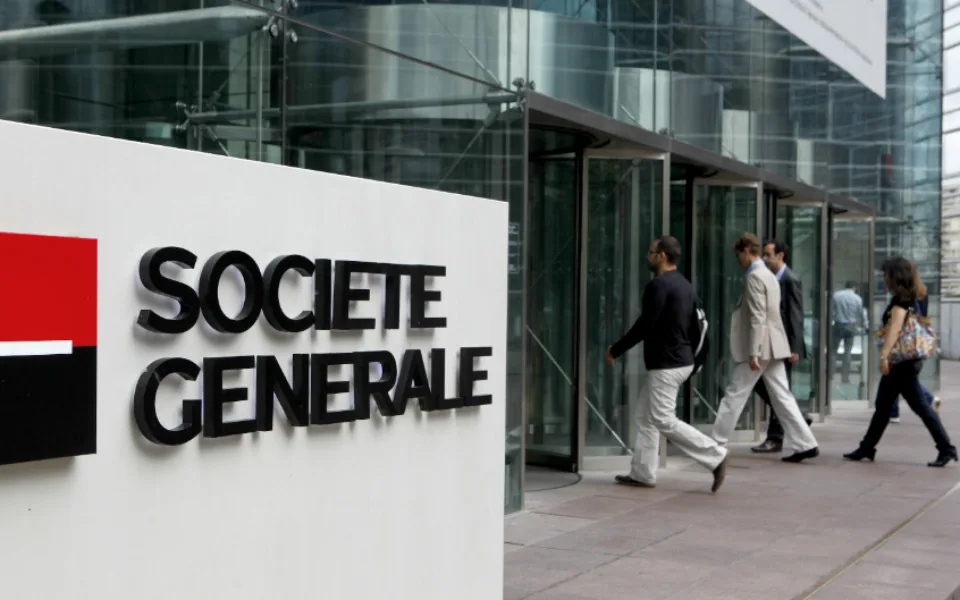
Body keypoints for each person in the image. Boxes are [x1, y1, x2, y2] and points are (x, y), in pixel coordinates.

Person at [606, 235, 728, 493]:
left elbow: (645, 325)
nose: (647, 256)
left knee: (663, 418)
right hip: (680, 360)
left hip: (667, 364)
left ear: (662, 256)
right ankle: (643, 473)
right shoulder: (685, 285)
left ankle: (715, 455)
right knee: (645, 416)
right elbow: (696, 327)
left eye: (651, 252)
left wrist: (616, 349)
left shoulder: (658, 286)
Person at [711, 233, 819, 463]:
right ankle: (806, 443)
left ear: (746, 251)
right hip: (774, 346)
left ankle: (714, 444)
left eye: (739, 255)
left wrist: (754, 351)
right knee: (782, 397)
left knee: (734, 395)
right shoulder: (769, 275)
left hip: (761, 348)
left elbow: (758, 317)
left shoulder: (755, 277)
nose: (738, 260)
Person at [844, 257, 958, 467]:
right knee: (886, 406)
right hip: (911, 359)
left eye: (886, 274)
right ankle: (867, 447)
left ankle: (946, 448)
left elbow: (895, 329)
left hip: (900, 361)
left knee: (916, 407)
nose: (884, 278)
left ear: (895, 276)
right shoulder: (920, 295)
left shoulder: (901, 300)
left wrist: (884, 355)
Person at [751, 240, 814, 453]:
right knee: (770, 387)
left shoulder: (790, 279)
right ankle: (797, 415)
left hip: (784, 346)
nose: (764, 259)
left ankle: (775, 438)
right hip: (772, 344)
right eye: (764, 255)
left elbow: (795, 315)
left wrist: (794, 348)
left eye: (768, 255)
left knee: (777, 389)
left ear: (781, 256)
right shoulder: (771, 278)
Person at [889, 262, 941, 422]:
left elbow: (899, 321)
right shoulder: (922, 291)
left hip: (903, 342)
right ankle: (927, 401)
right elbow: (923, 317)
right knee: (905, 379)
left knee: (896, 376)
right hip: (916, 342)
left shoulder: (903, 294)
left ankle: (893, 412)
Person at [832, 281, 866, 385]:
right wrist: (864, 325)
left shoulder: (836, 295)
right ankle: (845, 377)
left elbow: (832, 311)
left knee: (833, 351)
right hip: (851, 326)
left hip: (838, 324)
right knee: (847, 351)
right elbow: (861, 313)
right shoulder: (858, 299)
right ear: (854, 287)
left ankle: (831, 376)